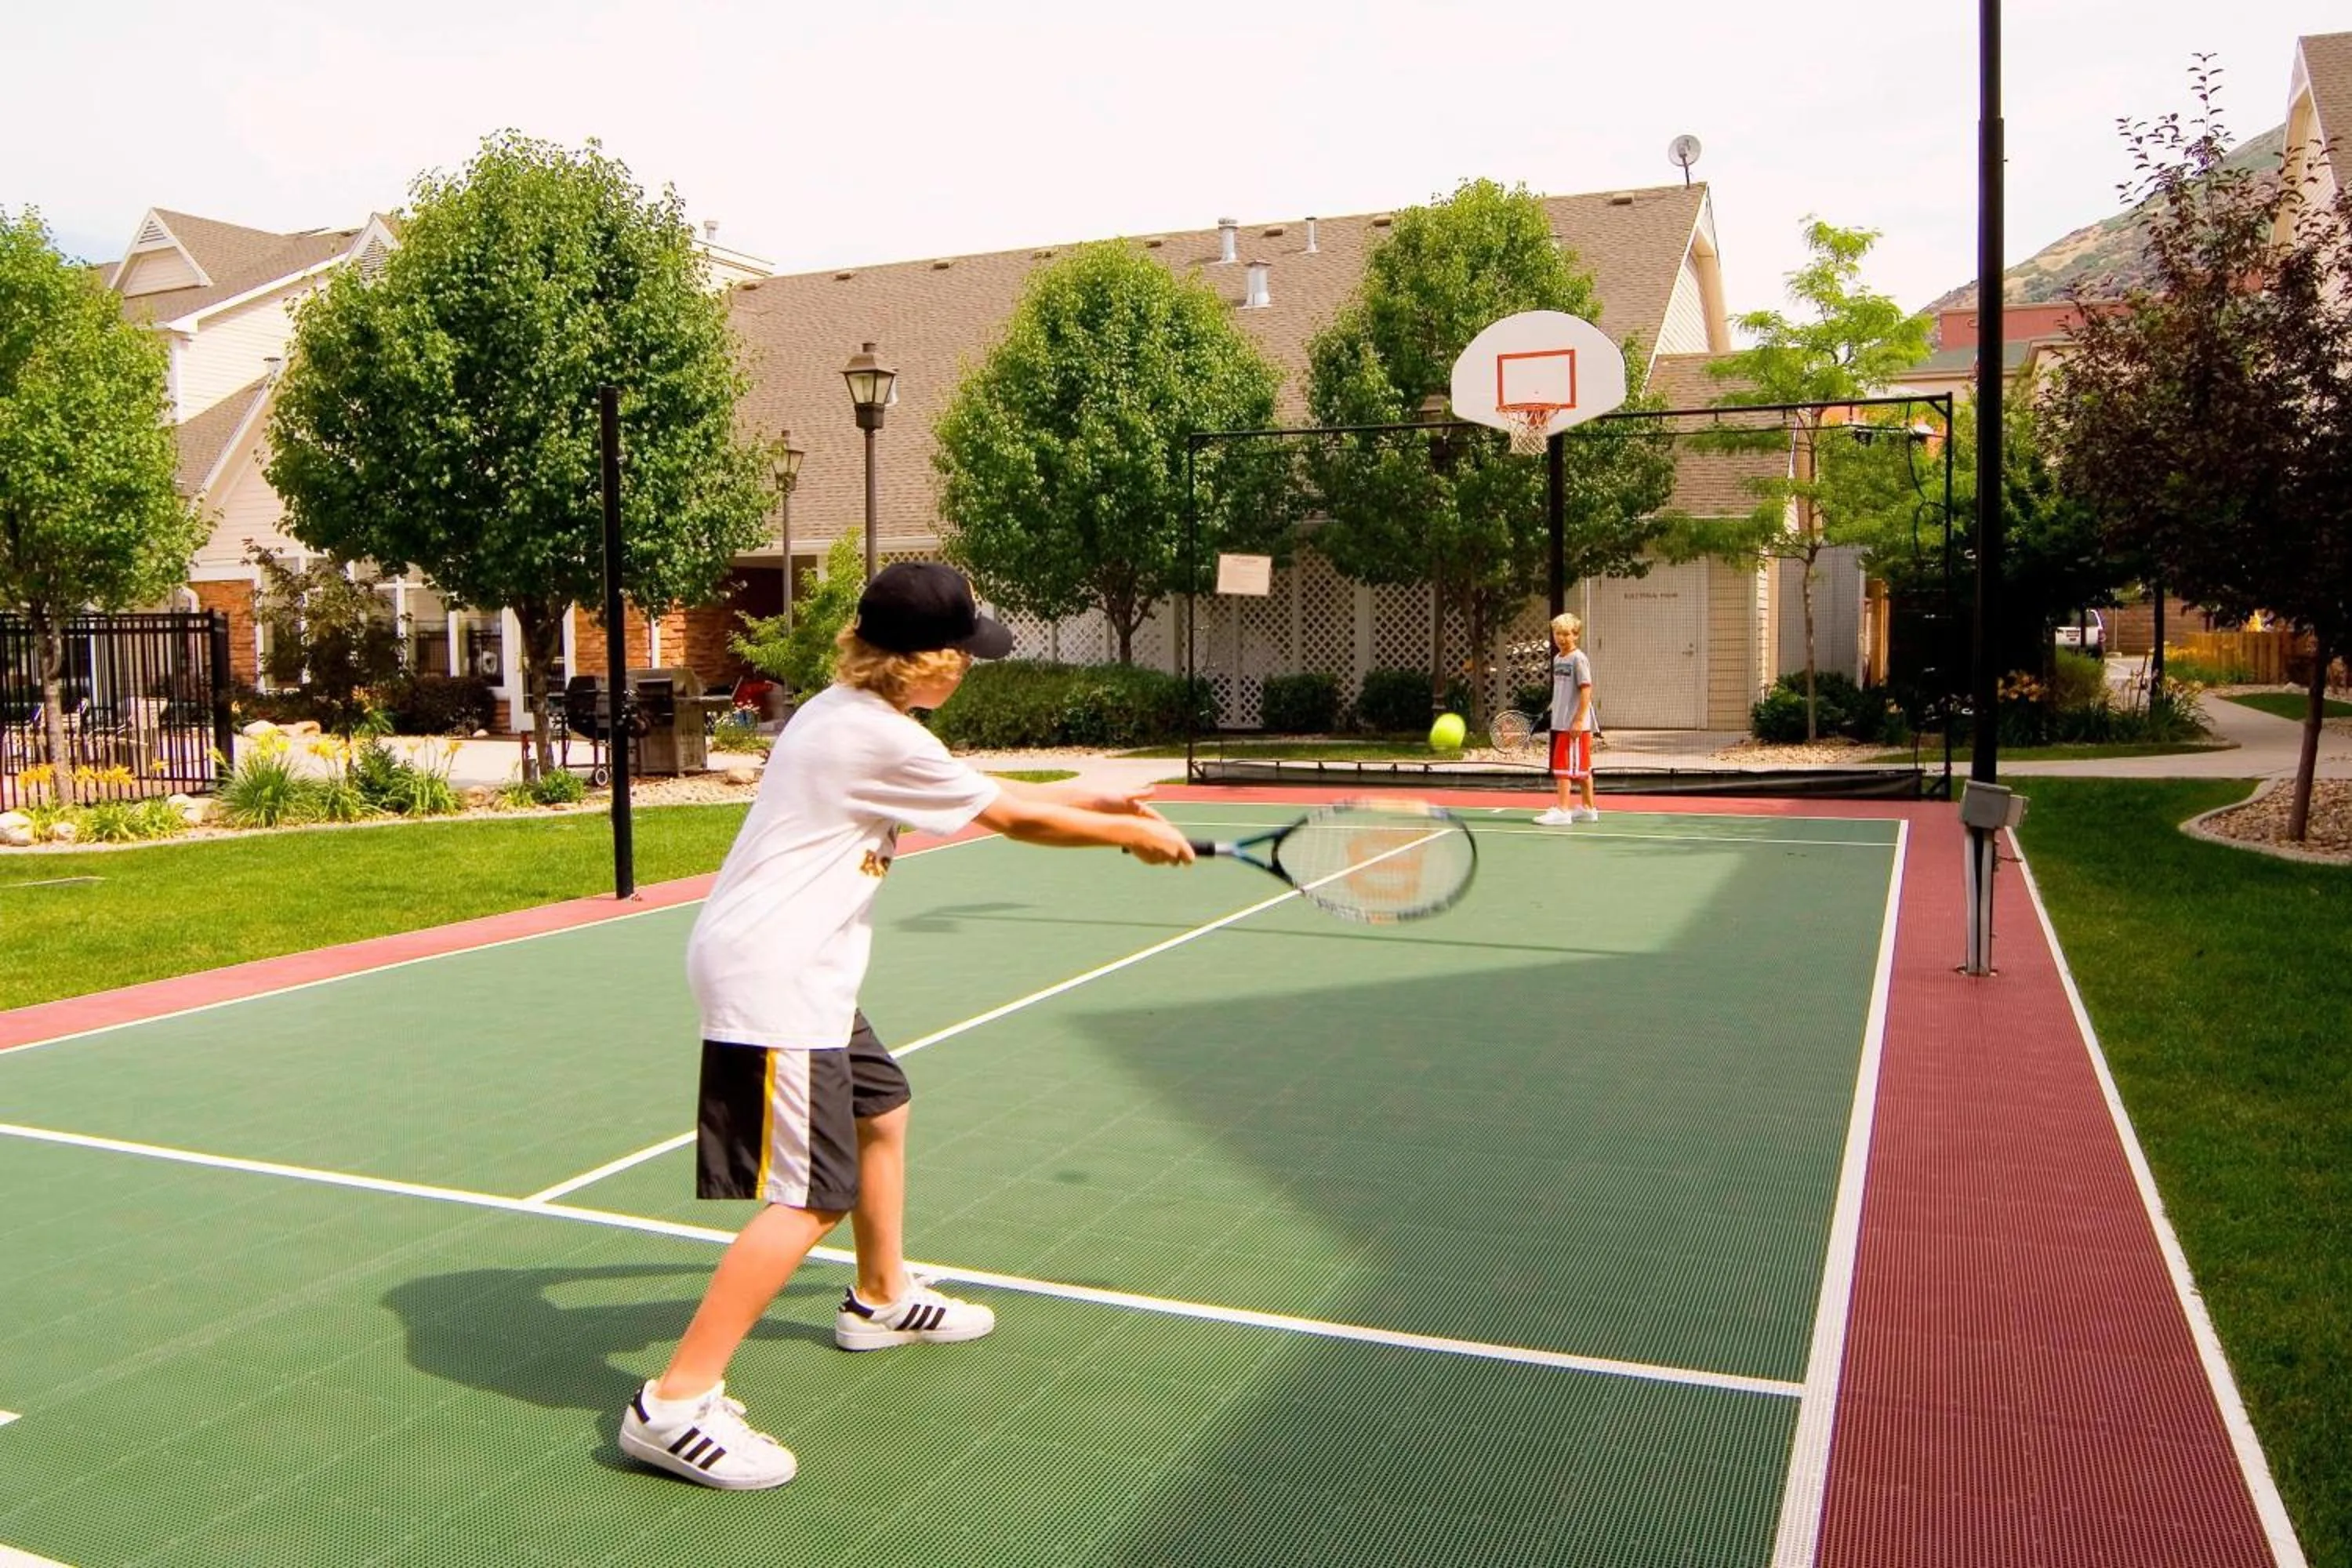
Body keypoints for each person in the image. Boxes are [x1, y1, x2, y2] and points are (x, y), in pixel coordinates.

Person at [619, 562, 1194, 1490]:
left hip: (805, 967)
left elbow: (982, 790)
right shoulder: (873, 734)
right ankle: (674, 1404)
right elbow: (1012, 820)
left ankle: (881, 1296)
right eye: (962, 653)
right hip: (775, 977)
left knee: (881, 1108)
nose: (968, 666)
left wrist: (1089, 800)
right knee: (812, 1195)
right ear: (927, 661)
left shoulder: (847, 713)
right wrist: (1131, 834)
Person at [1534, 612, 1599, 826]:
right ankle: (1589, 810)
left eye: (1566, 634)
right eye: (1558, 634)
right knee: (1582, 769)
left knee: (1563, 768)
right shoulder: (1558, 659)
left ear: (1576, 635)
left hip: (1574, 725)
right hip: (1561, 722)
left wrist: (1579, 720)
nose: (1561, 638)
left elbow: (1586, 690)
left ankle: (1562, 811)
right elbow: (1563, 690)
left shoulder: (1578, 659)